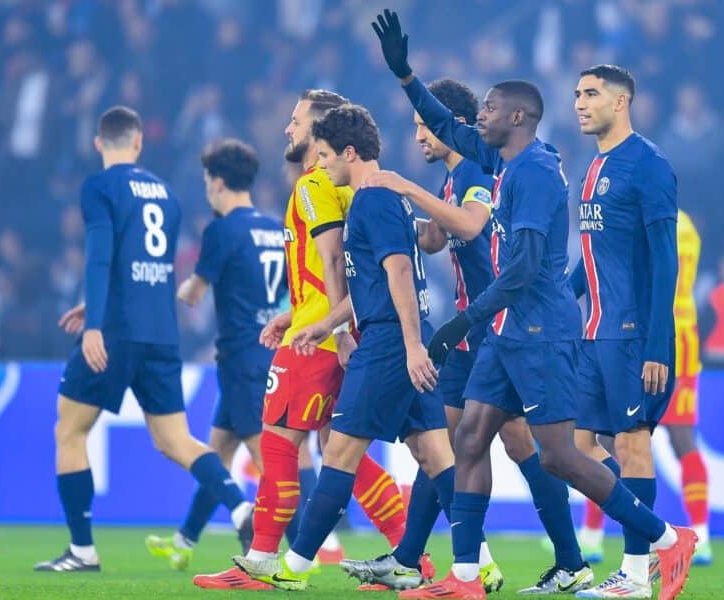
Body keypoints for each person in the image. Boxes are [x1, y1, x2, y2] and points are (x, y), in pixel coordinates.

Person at [371, 11, 696, 600]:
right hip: (515, 329)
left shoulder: (542, 172)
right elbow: (453, 127)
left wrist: (461, 322)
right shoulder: (516, 160)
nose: (478, 121)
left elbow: (522, 270)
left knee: (561, 458)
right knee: (469, 439)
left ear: (515, 117)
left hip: (541, 330)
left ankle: (665, 539)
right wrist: (405, 76)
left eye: (489, 111)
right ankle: (466, 579)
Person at [341, 77, 592, 595]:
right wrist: (382, 219)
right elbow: (434, 237)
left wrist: (402, 190)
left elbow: (472, 226)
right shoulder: (453, 179)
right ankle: (425, 560)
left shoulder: (478, 169)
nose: (419, 139)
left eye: (425, 128)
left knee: (496, 444)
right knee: (462, 442)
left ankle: (571, 553)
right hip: (475, 330)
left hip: (494, 326)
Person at [192, 91, 411, 590]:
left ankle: (265, 557)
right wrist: (295, 314)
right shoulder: (352, 189)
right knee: (342, 451)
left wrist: (327, 327)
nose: (287, 129)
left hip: (319, 341)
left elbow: (335, 263)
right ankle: (406, 553)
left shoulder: (313, 185)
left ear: (318, 135)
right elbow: (329, 270)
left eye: (295, 122)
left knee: (279, 441)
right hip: (333, 328)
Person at [233, 103, 453, 592]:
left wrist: (371, 337)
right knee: (438, 457)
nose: (322, 163)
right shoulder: (380, 197)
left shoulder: (361, 197)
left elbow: (384, 270)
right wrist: (321, 321)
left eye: (327, 152)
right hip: (388, 334)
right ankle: (466, 564)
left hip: (388, 341)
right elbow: (371, 278)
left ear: (346, 151)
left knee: (337, 454)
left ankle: (290, 564)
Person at [35, 107, 253, 572]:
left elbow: (99, 257)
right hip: (160, 333)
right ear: (138, 143)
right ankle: (240, 508)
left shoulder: (100, 187)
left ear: (100, 143)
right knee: (176, 440)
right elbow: (147, 268)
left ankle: (82, 551)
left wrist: (95, 321)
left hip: (113, 333)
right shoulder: (168, 195)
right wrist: (96, 306)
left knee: (69, 430)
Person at [564, 64, 685, 599]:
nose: (579, 103)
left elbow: (665, 261)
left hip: (634, 335)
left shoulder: (649, 165)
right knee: (572, 447)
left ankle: (636, 575)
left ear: (622, 101)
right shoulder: (595, 166)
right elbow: (593, 255)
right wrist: (562, 296)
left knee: (633, 447)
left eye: (591, 93)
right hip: (596, 332)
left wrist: (659, 344)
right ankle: (662, 537)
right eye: (576, 94)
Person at [144, 139, 286, 571]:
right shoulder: (273, 227)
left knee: (268, 461)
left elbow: (194, 293)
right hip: (270, 352)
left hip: (241, 358)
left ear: (219, 182)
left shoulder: (222, 229)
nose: (206, 188)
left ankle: (299, 551)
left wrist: (171, 286)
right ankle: (184, 542)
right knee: (218, 453)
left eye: (207, 180)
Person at [578, 209, 713, 571]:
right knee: (679, 439)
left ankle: (595, 534)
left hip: (648, 332)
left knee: (617, 438)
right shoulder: (689, 227)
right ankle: (701, 534)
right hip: (684, 335)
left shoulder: (649, 222)